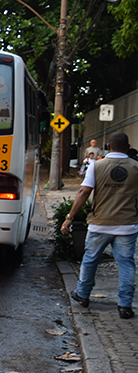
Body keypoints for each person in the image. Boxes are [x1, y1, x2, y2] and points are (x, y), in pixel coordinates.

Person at [62, 131, 138, 319]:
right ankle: (125, 306)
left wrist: (69, 217)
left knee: (90, 260)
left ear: (107, 147)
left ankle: (83, 295)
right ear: (128, 148)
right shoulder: (136, 167)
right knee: (127, 264)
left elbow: (83, 192)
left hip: (99, 224)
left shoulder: (96, 166)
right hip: (127, 225)